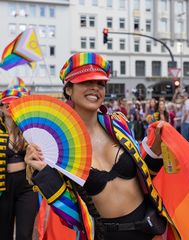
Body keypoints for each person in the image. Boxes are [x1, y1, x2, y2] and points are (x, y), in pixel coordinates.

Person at [24, 52, 180, 240]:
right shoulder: (57, 147)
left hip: (148, 229)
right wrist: (45, 173)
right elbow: (72, 217)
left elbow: (144, 177)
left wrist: (155, 150)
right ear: (68, 89)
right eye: (86, 82)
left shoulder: (118, 124)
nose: (94, 88)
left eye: (100, 83)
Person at [0, 87, 38, 240]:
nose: (10, 108)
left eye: (15, 104)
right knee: (3, 234)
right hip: (2, 187)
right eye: (6, 104)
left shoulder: (30, 129)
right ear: (1, 107)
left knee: (24, 234)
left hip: (27, 186)